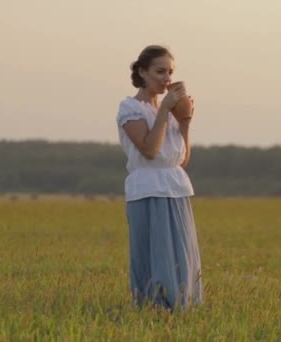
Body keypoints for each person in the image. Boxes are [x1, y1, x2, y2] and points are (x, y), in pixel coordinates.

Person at [115, 45, 203, 310]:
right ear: (143, 72)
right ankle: (153, 305)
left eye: (171, 72)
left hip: (175, 187)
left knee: (180, 252)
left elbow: (181, 160)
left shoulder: (171, 112)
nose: (167, 78)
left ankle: (181, 305)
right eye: (160, 71)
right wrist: (164, 110)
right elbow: (150, 150)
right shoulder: (131, 108)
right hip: (148, 188)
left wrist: (185, 122)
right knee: (155, 251)